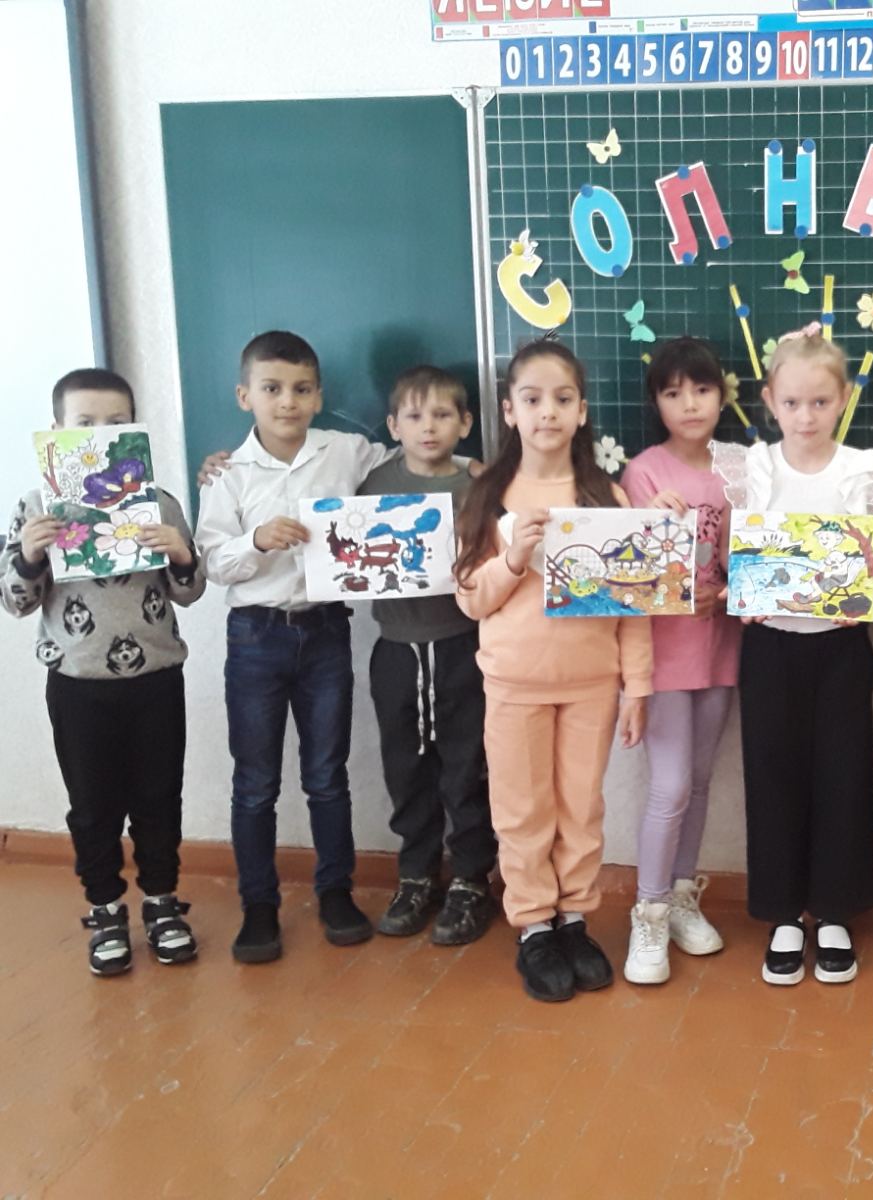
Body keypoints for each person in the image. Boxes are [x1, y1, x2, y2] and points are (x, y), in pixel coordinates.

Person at [454, 337, 650, 1003]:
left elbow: (632, 602)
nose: (548, 412)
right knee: (523, 810)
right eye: (533, 399)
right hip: (514, 683)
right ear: (509, 410)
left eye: (563, 399)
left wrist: (637, 687)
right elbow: (470, 598)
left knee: (581, 807)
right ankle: (534, 925)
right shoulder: (490, 493)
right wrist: (513, 560)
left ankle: (574, 918)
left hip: (591, 684)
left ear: (582, 410)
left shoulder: (606, 497)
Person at [195, 331, 400, 962]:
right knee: (255, 782)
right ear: (245, 396)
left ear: (318, 396)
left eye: (301, 389)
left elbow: (410, 458)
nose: (287, 401)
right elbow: (212, 562)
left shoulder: (346, 451)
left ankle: (336, 891)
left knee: (326, 775)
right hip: (254, 636)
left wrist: (470, 466)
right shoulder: (226, 474)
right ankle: (259, 906)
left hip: (324, 629)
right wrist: (255, 540)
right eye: (272, 388)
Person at [2, 369, 206, 975]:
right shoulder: (35, 508)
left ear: (134, 430)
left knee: (158, 796)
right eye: (84, 424)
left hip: (156, 677)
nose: (99, 434)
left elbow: (189, 591)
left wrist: (181, 553)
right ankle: (105, 908)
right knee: (91, 804)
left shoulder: (159, 502)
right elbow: (15, 601)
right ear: (57, 431)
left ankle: (162, 902)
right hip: (78, 681)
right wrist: (29, 554)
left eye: (116, 424)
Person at [711, 325, 873, 986]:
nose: (806, 416)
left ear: (842, 399)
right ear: (770, 402)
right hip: (769, 647)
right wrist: (740, 580)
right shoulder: (753, 468)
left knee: (844, 775)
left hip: (840, 648)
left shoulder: (861, 469)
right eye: (792, 403)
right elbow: (733, 549)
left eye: (820, 402)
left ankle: (835, 911)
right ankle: (785, 913)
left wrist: (871, 573)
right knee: (772, 774)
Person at [617, 338, 740, 985]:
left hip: (722, 646)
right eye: (672, 392)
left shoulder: (740, 467)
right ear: (657, 403)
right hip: (662, 653)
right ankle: (649, 912)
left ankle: (683, 895)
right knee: (669, 786)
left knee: (699, 779)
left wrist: (735, 586)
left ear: (722, 395)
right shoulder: (643, 472)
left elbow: (757, 556)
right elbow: (630, 569)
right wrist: (646, 519)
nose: (689, 403)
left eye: (701, 389)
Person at [362, 366, 496, 947]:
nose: (428, 427)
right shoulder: (373, 484)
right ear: (393, 426)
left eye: (442, 415)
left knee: (467, 764)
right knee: (406, 766)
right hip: (395, 648)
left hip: (463, 644)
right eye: (414, 416)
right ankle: (417, 873)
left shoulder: (478, 485)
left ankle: (471, 878)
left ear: (465, 423)